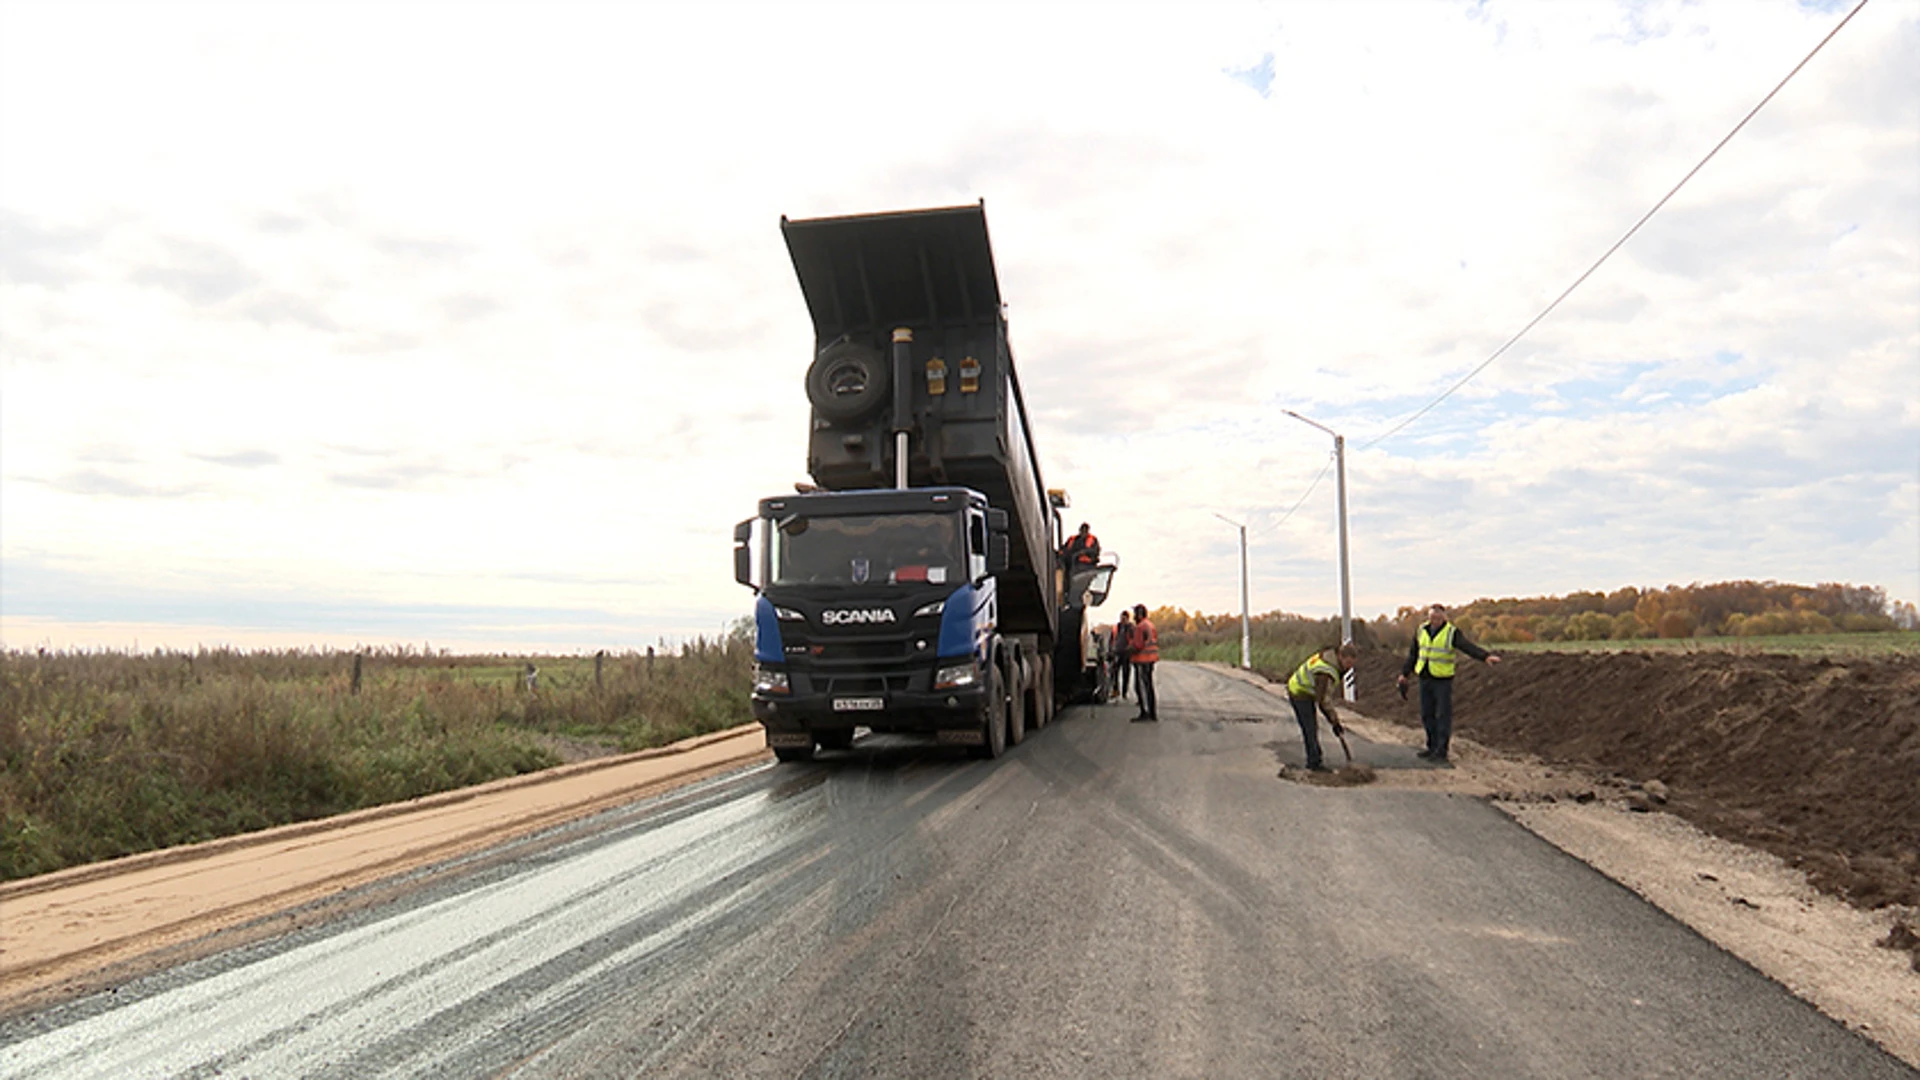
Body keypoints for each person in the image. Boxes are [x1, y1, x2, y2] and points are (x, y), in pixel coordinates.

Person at [1397, 603, 1501, 763]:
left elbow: (1467, 647)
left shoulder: (1451, 632)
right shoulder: (1421, 630)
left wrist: (1485, 656)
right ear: (1428, 617)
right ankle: (1431, 747)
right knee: (1427, 714)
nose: (1435, 621)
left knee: (1442, 715)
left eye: (1438, 618)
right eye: (1432, 618)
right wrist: (1405, 673)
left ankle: (1441, 751)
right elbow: (1413, 654)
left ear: (1444, 617)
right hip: (1424, 677)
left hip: (1442, 680)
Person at [1286, 643, 1358, 771]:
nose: (1348, 667)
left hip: (1306, 690)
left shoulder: (1329, 658)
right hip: (1299, 691)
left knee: (1312, 726)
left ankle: (1315, 759)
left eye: (1351, 665)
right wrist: (1335, 723)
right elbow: (1323, 701)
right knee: (1310, 727)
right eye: (1347, 663)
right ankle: (1314, 763)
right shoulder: (1325, 672)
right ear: (1340, 657)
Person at [1129, 603, 1159, 722]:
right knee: (1149, 687)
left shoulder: (1140, 627)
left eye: (1135, 614)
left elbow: (1138, 645)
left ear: (1140, 615)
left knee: (1140, 687)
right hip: (1150, 659)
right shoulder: (1150, 625)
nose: (1134, 617)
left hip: (1142, 660)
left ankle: (1145, 712)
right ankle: (1152, 713)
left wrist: (1125, 651)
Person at [1109, 609, 1134, 703]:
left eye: (1124, 618)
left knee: (1126, 673)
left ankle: (1124, 692)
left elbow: (1133, 639)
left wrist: (1130, 650)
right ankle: (1115, 690)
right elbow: (1112, 639)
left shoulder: (1131, 628)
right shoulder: (1116, 627)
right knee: (1114, 672)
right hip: (1117, 652)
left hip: (1126, 653)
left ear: (1128, 618)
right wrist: (1111, 650)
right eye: (1121, 618)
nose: (1122, 620)